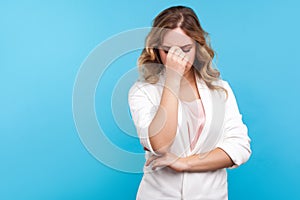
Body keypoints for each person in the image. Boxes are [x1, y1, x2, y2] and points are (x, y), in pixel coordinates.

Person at [128, 5, 251, 200]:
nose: (179, 58)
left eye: (186, 49)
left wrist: (184, 163)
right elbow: (160, 145)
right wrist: (172, 79)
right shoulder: (143, 91)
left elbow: (240, 147)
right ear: (156, 50)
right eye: (168, 51)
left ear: (197, 45)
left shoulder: (220, 89)